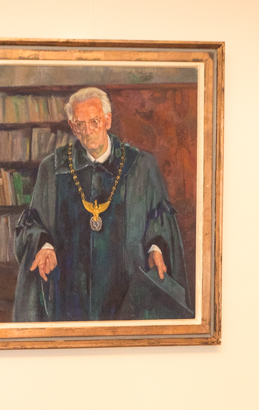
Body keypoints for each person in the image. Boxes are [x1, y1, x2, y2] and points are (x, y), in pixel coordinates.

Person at [12, 86, 193, 322]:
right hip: (69, 292)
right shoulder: (52, 168)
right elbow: (34, 222)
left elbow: (159, 220)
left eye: (94, 122)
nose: (88, 131)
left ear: (108, 120)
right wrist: (44, 244)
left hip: (128, 289)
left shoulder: (141, 166)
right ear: (72, 127)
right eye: (80, 124)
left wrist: (155, 249)